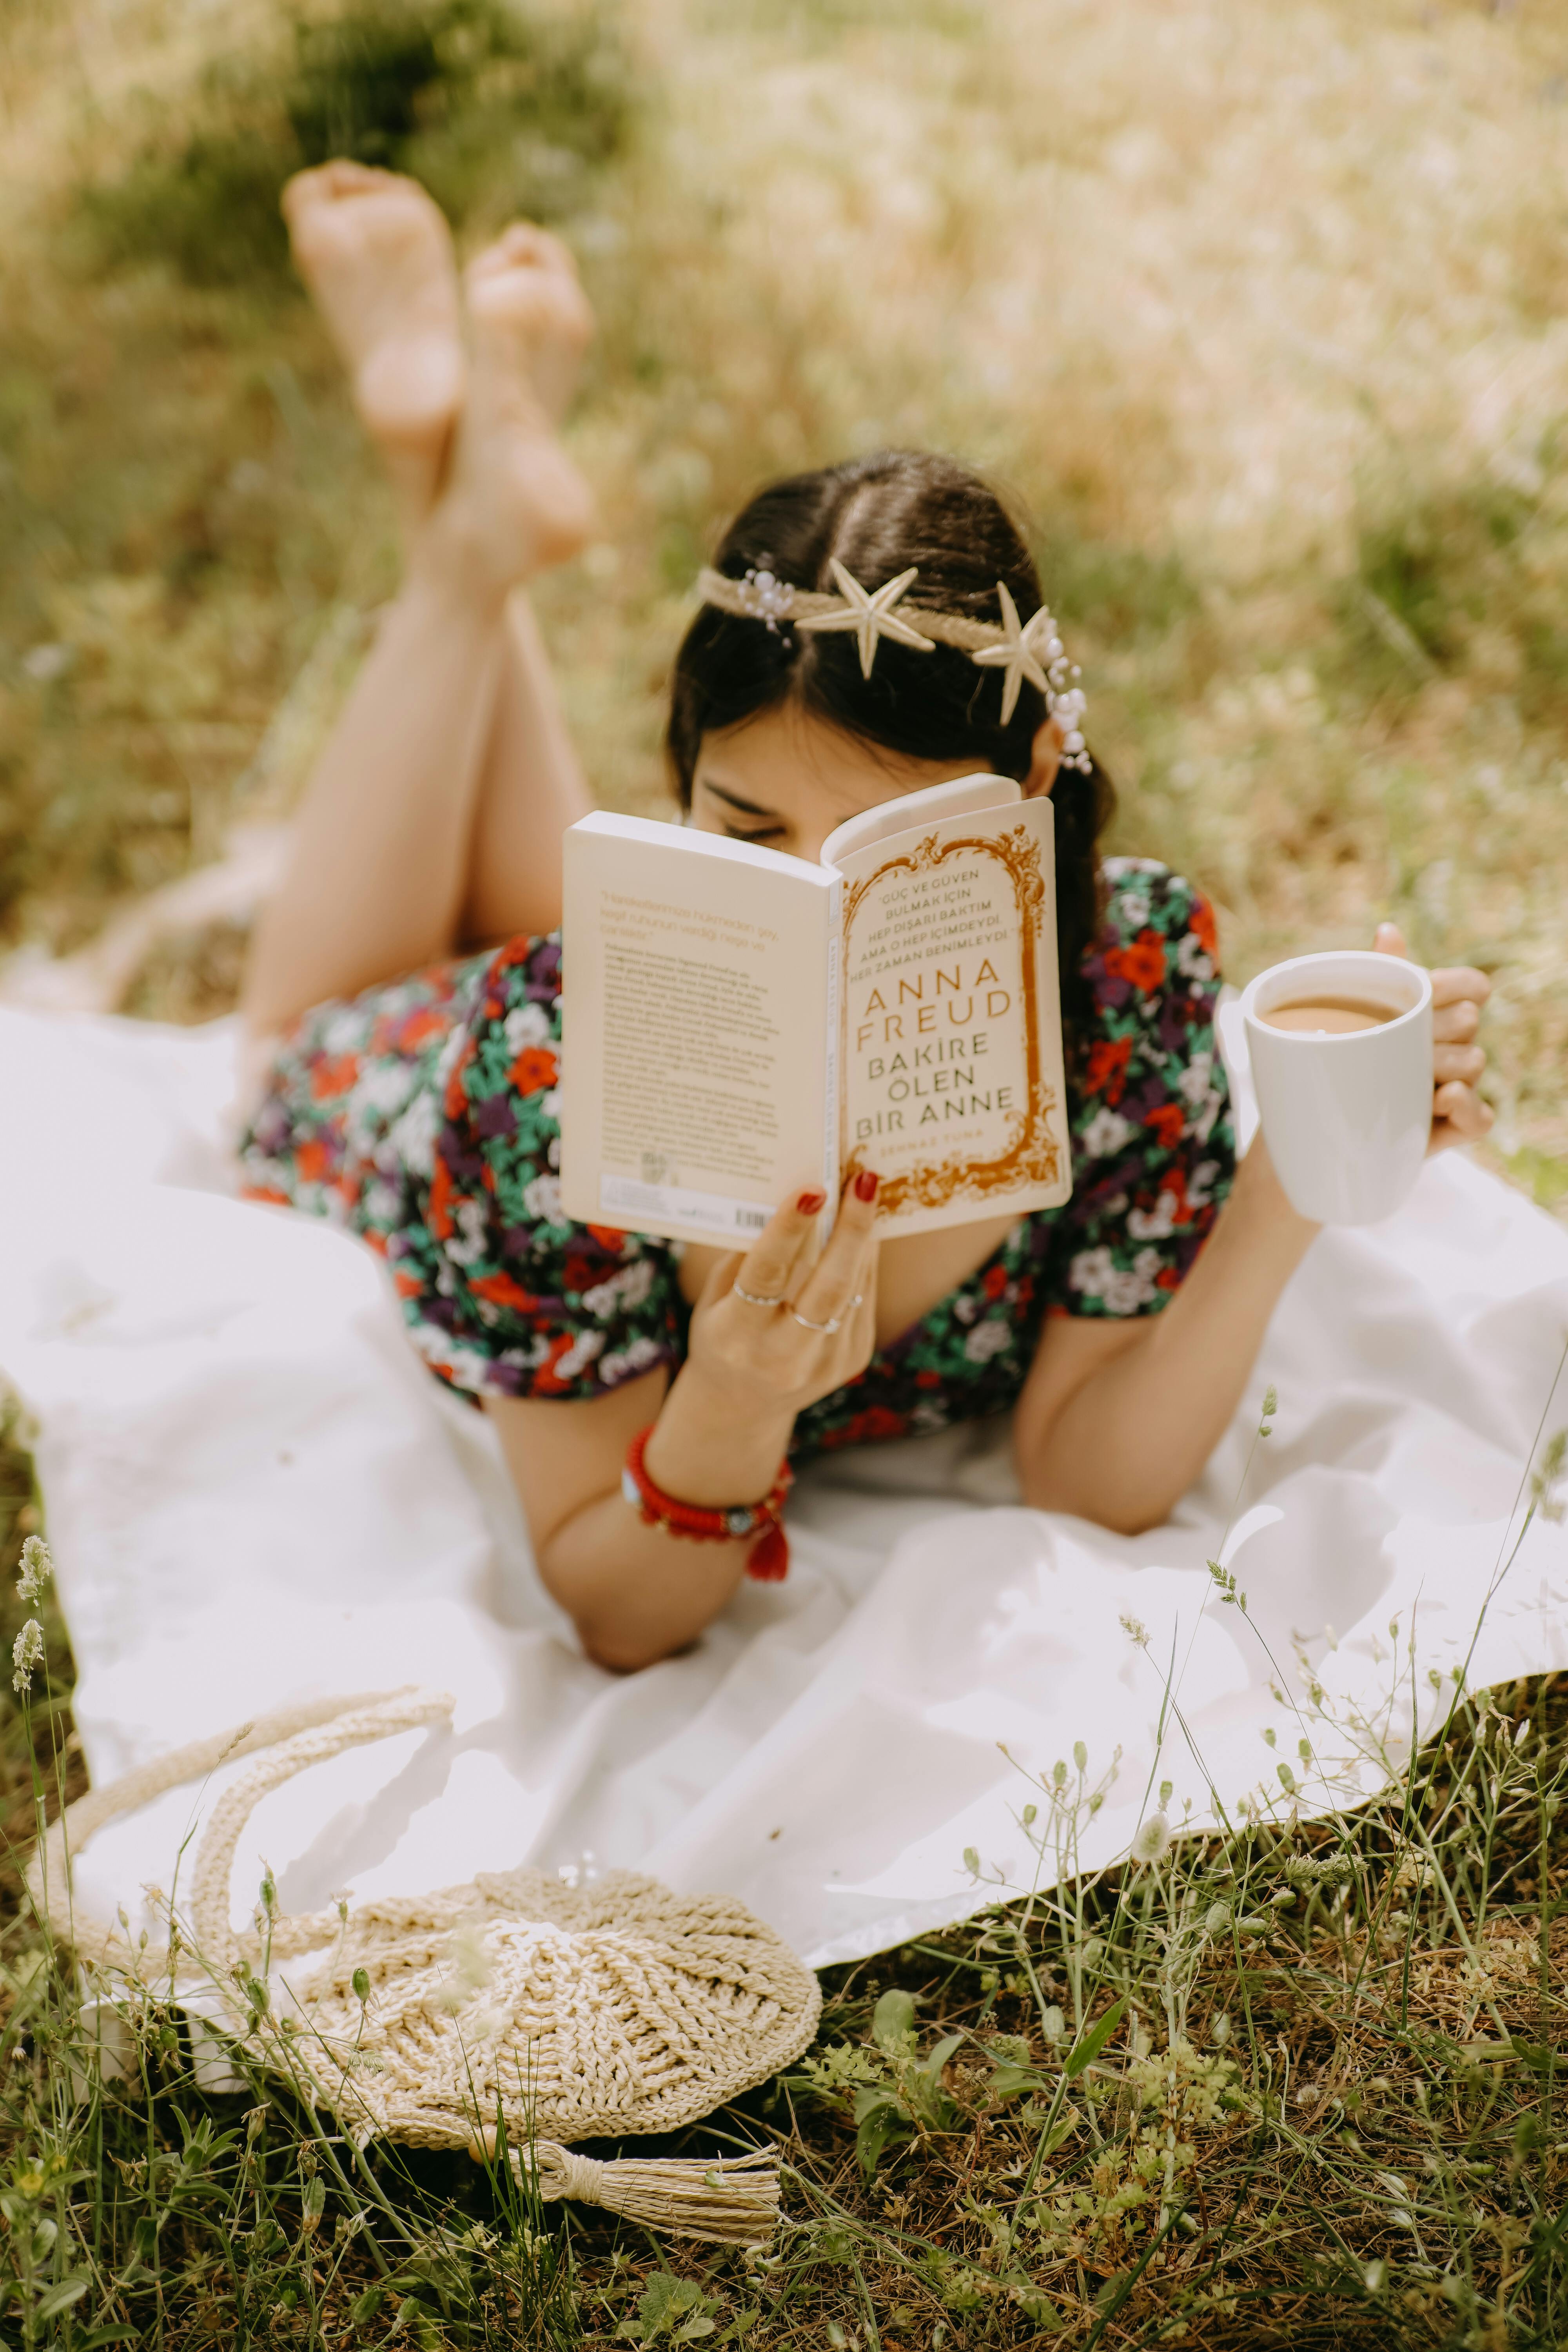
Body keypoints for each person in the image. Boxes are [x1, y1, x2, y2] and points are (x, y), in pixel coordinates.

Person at [238, 165, 1494, 1673]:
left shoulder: (1125, 985)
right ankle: (453, 526)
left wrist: (1292, 1176)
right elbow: (620, 1615)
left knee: (512, 918)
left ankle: (474, 501)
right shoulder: (534, 1064)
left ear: (1033, 780)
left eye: (892, 853)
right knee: (280, 1041)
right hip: (406, 1085)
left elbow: (1090, 1478)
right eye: (748, 836)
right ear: (681, 781)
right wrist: (731, 1403)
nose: (819, 912)